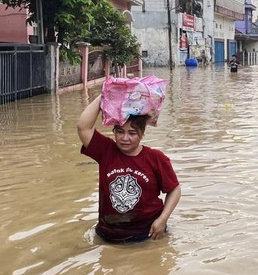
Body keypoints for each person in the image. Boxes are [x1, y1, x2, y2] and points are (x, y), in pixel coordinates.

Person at [76, 95, 181, 243]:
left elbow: (174, 190)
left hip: (147, 234)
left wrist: (162, 220)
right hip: (108, 235)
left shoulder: (155, 158)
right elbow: (83, 127)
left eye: (132, 133)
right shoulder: (106, 151)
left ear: (142, 134)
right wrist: (104, 96)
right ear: (114, 132)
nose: (125, 138)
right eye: (120, 131)